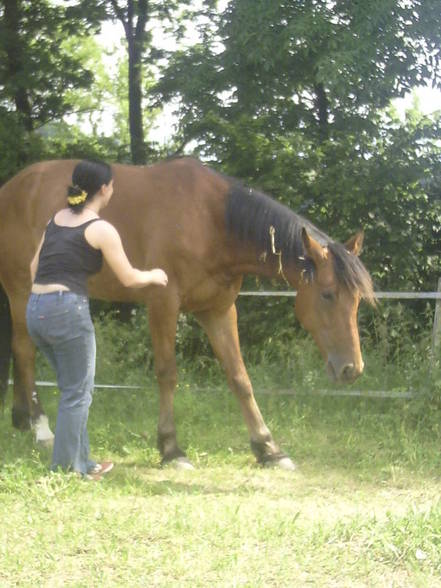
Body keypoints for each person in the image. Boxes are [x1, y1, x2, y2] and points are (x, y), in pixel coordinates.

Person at [26, 160, 168, 480]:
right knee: (78, 393)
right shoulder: (100, 228)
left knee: (72, 390)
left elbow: (33, 268)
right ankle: (64, 473)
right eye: (112, 185)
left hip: (36, 309)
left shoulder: (55, 220)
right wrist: (155, 275)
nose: (113, 190)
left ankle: (84, 464)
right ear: (104, 189)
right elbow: (129, 278)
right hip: (67, 311)